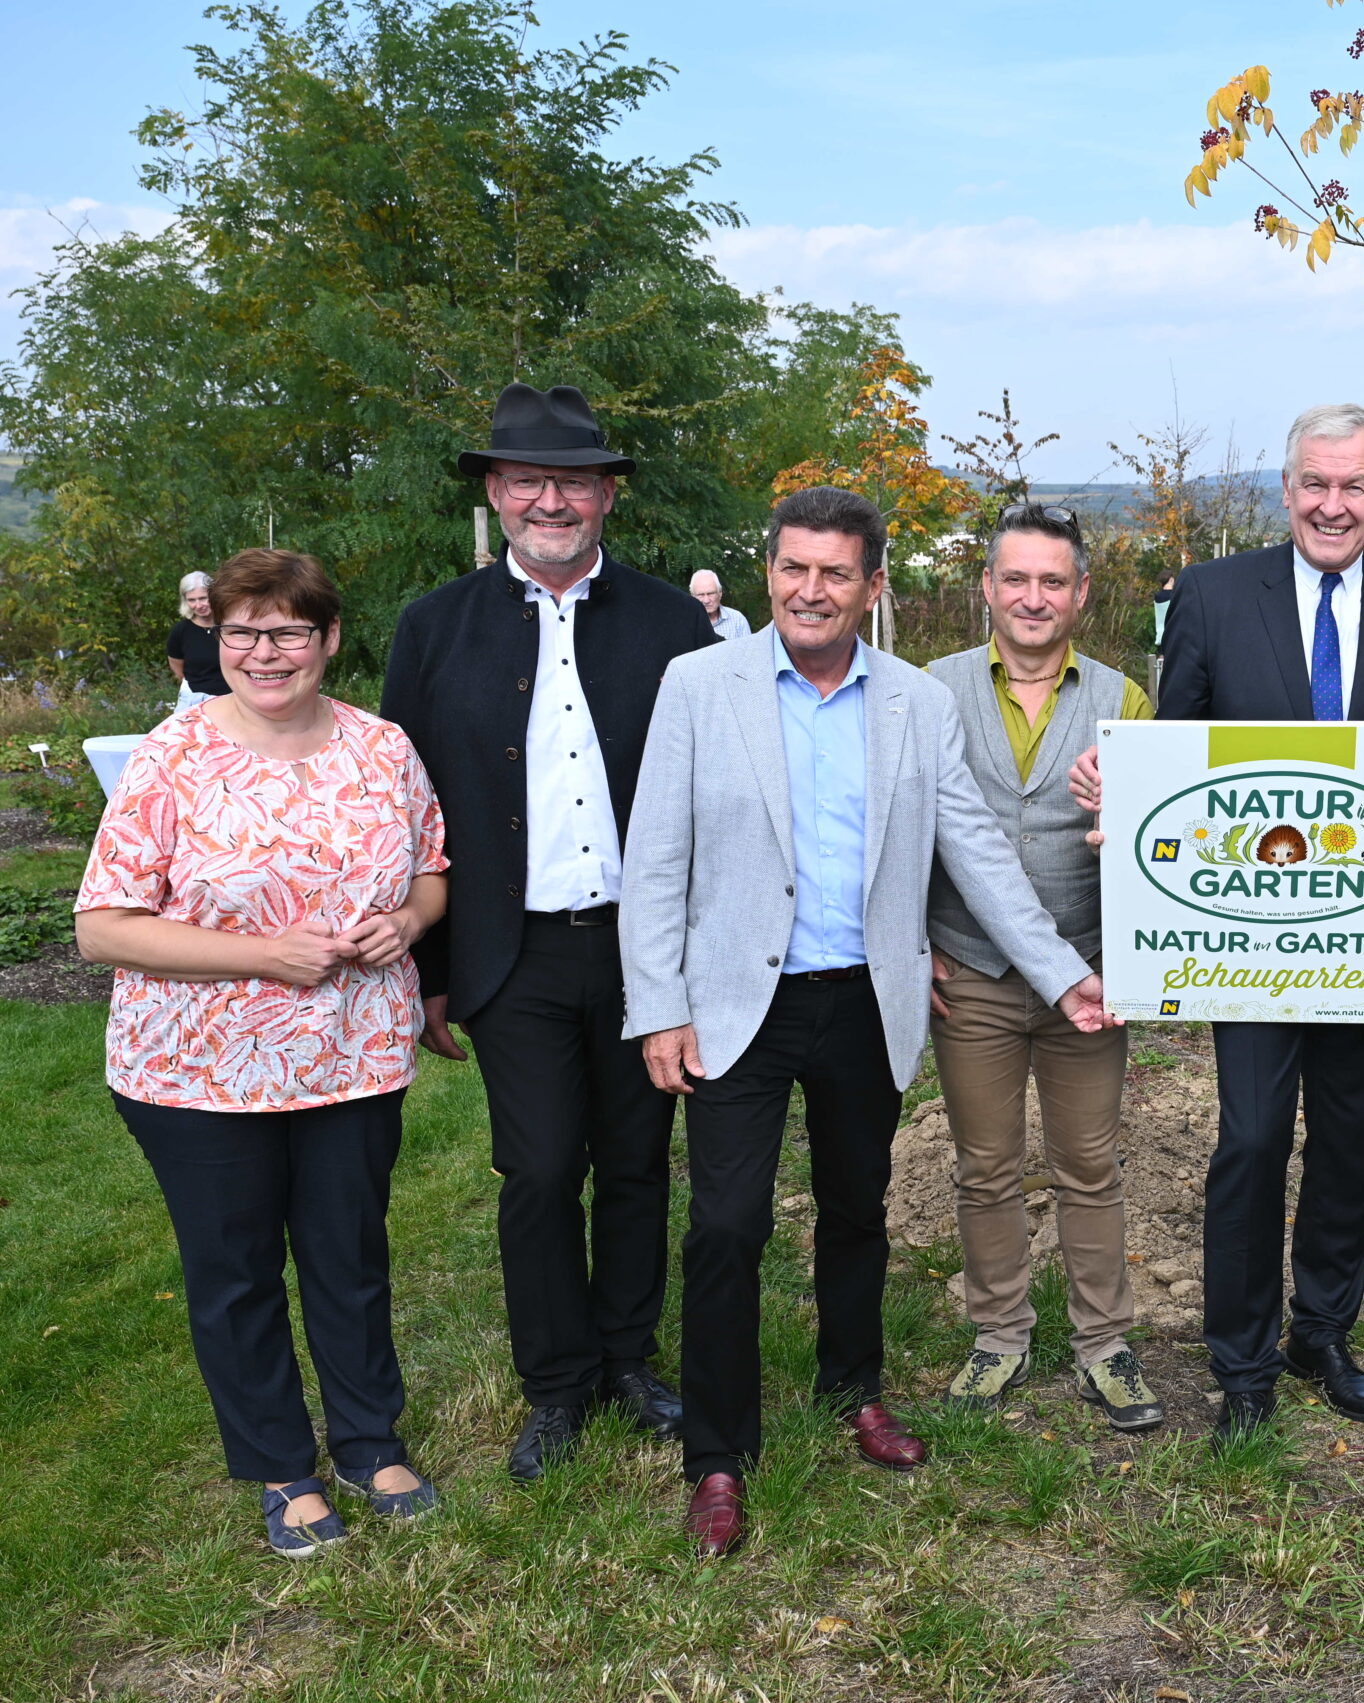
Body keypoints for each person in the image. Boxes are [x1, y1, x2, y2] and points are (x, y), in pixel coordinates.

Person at [620, 484, 1115, 1559]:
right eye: (794, 567)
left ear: (871, 584)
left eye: (835, 572)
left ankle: (855, 1387)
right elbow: (654, 857)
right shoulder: (700, 685)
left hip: (867, 998)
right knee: (728, 1225)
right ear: (768, 573)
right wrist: (656, 1003)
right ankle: (717, 1449)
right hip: (738, 1002)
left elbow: (976, 848)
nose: (812, 589)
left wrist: (1061, 972)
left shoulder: (911, 701)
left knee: (857, 1209)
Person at [1071, 402, 1364, 1449]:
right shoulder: (1208, 596)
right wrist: (1128, 797)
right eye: (1314, 484)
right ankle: (1240, 1357)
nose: (1332, 504)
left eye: (1354, 486)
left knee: (1345, 1141)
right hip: (1243, 938)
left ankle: (1321, 1334)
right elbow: (1173, 753)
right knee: (1250, 1140)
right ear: (1285, 489)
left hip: (1362, 935)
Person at [75, 549, 449, 1556]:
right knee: (236, 1271)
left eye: (288, 630)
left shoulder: (382, 747)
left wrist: (405, 924)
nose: (264, 651)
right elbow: (102, 926)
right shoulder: (171, 757)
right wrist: (258, 954)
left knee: (349, 1256)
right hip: (196, 1072)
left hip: (350, 1056)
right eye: (242, 631)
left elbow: (431, 871)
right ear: (217, 641)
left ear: (327, 639)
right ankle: (283, 1466)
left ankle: (370, 1441)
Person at [379, 383, 716, 1481]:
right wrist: (430, 971)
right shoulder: (435, 627)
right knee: (534, 1170)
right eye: (527, 480)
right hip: (508, 946)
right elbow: (411, 811)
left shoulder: (676, 624)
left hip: (640, 946)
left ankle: (628, 1359)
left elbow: (718, 797)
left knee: (634, 1163)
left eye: (573, 480)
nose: (550, 500)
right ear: (494, 491)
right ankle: (556, 1384)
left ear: (608, 493)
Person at [925, 503, 1165, 1431]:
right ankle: (1000, 1334)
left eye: (1052, 582)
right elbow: (901, 831)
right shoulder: (929, 689)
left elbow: (1161, 844)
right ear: (985, 587)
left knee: (1088, 1163)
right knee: (985, 1165)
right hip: (973, 972)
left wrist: (1124, 813)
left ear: (1081, 595)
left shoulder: (1125, 697)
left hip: (1090, 977)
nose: (1033, 597)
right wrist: (915, 944)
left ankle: (1105, 1343)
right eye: (1015, 579)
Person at [165, 570, 230, 706]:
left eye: (203, 598)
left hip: (232, 699)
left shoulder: (230, 627)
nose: (198, 605)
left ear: (214, 596)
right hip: (194, 701)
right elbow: (177, 669)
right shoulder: (180, 631)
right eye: (192, 600)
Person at [691, 569, 753, 642]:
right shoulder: (684, 622)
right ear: (692, 597)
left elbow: (749, 651)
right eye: (701, 595)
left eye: (711, 593)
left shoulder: (737, 620)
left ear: (720, 593)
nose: (706, 600)